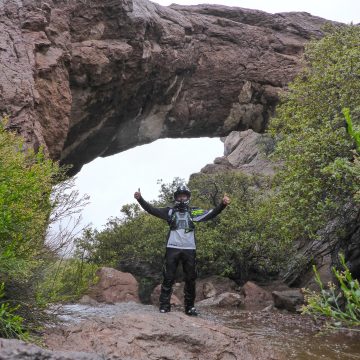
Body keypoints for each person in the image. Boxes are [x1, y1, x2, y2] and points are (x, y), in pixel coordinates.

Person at [134, 184, 230, 316]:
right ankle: (164, 306)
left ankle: (190, 307)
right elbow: (152, 209)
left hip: (189, 249)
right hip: (172, 248)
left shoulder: (193, 212)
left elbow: (211, 214)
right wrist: (140, 199)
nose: (182, 198)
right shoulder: (169, 211)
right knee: (168, 277)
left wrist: (222, 205)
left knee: (190, 278)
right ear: (176, 198)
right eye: (179, 196)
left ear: (188, 197)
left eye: (184, 196)